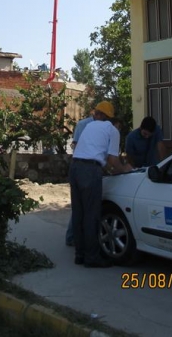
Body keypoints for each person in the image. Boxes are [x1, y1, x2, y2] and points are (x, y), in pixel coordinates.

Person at [68, 101, 130, 268]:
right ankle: (92, 257)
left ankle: (79, 255)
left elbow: (93, 151)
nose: (94, 115)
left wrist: (107, 167)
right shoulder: (112, 130)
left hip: (74, 168)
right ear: (110, 117)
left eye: (96, 113)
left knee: (79, 213)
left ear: (99, 115)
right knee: (91, 215)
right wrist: (124, 169)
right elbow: (112, 160)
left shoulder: (89, 127)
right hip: (90, 171)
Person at [65, 102, 110, 246]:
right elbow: (77, 145)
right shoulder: (84, 125)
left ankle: (80, 246)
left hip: (83, 167)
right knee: (84, 209)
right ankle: (73, 238)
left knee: (81, 208)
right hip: (84, 167)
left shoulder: (98, 125)